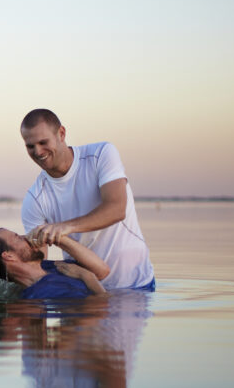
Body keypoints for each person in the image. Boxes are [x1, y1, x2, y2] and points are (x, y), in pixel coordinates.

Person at [19, 109, 155, 291]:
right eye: (30, 146)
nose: (38, 151)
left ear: (61, 134)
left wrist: (65, 227)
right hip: (84, 293)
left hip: (136, 285)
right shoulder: (34, 199)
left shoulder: (101, 154)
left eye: (43, 142)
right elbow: (39, 265)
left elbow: (117, 208)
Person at [0, 227, 108, 299]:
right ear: (8, 256)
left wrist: (58, 237)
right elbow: (101, 307)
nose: (26, 237)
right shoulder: (43, 292)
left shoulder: (50, 266)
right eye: (18, 237)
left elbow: (102, 271)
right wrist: (86, 276)